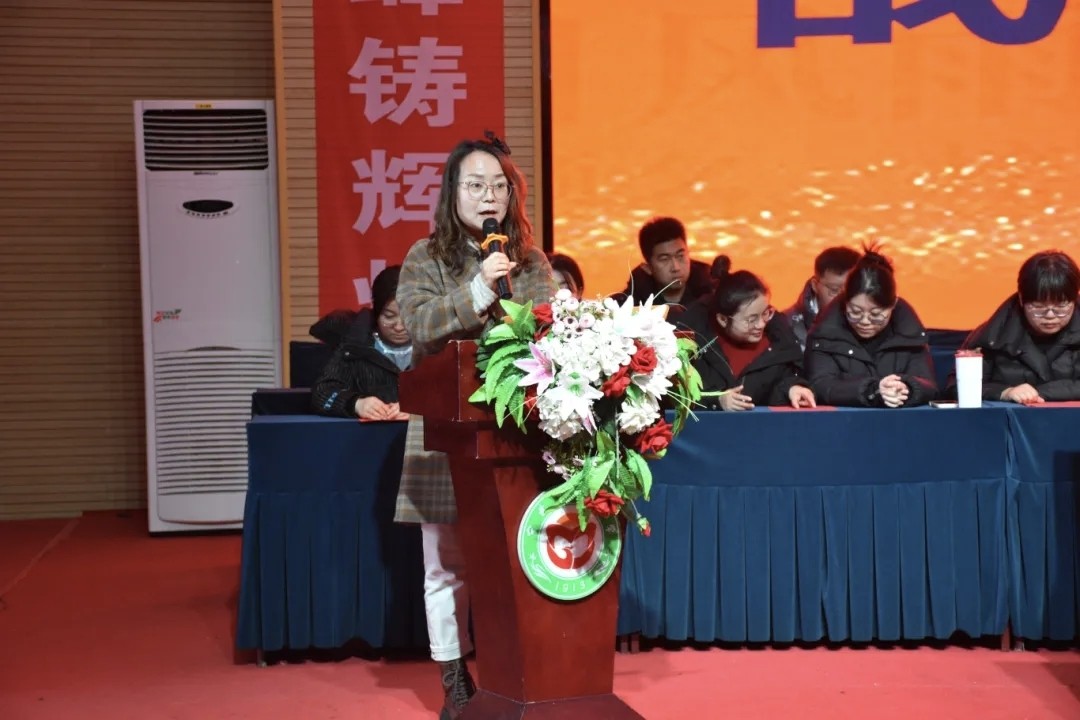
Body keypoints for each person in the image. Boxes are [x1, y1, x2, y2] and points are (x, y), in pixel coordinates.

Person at [394, 134, 557, 720]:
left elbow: (548, 328)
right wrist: (480, 288)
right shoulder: (426, 256)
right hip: (444, 429)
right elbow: (419, 325)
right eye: (475, 185)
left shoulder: (531, 261)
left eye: (498, 186)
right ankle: (454, 680)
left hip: (516, 429)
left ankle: (515, 671)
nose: (488, 196)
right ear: (452, 193)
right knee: (445, 562)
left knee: (516, 554)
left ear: (512, 195)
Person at [805, 247, 937, 407]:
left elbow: (928, 385)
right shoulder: (825, 332)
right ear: (845, 302)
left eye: (876, 314)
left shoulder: (909, 333)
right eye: (855, 312)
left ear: (893, 305)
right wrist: (872, 390)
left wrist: (905, 388)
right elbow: (820, 385)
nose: (865, 321)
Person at [678, 258, 814, 410]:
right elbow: (675, 392)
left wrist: (792, 388)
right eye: (751, 319)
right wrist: (717, 400)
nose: (761, 324)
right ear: (723, 320)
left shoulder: (777, 340)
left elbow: (778, 384)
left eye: (765, 313)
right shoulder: (690, 341)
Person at [953, 250, 1080, 403]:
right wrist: (1004, 392)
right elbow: (957, 387)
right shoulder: (992, 336)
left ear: (1075, 299)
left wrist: (1041, 392)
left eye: (1061, 306)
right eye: (1039, 306)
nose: (1050, 315)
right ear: (1021, 299)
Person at [310, 266, 411, 420]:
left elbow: (451, 396)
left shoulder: (438, 346)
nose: (399, 327)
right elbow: (321, 394)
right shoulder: (355, 345)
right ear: (376, 312)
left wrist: (422, 407)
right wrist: (356, 403)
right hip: (367, 434)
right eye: (389, 316)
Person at [612, 216, 713, 309]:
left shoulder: (712, 293)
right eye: (664, 259)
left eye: (680, 256)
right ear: (648, 268)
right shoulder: (627, 305)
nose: (676, 267)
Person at [784, 246, 861, 351]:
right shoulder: (785, 326)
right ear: (815, 285)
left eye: (852, 290)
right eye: (834, 290)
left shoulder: (873, 322)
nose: (843, 298)